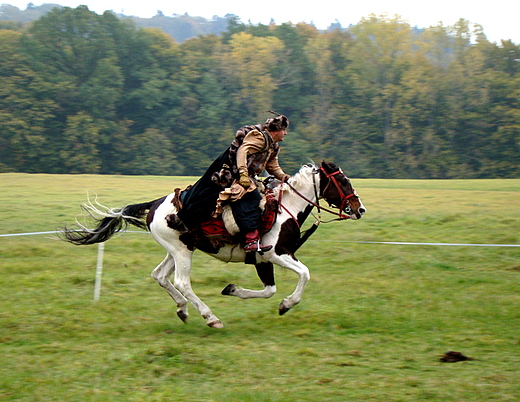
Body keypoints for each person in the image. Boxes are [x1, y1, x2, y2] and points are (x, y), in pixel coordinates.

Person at [178, 113, 290, 253]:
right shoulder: (260, 138)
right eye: (283, 130)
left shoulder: (273, 146)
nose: (285, 133)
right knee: (251, 198)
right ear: (275, 130)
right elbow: (242, 151)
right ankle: (250, 241)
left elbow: (273, 166)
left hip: (246, 175)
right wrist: (243, 174)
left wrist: (285, 177)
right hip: (231, 172)